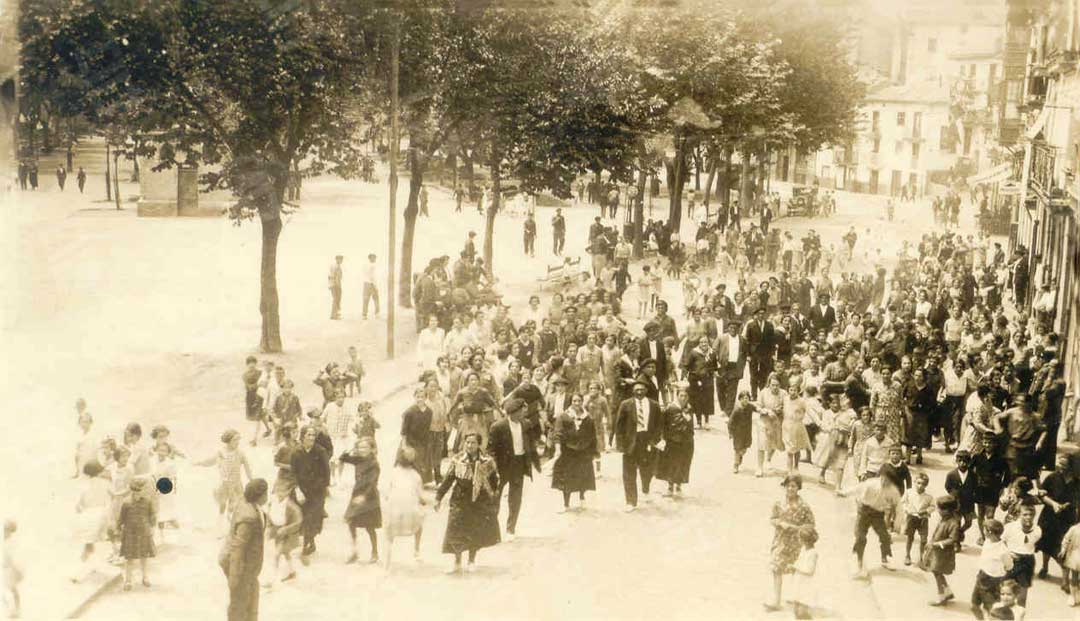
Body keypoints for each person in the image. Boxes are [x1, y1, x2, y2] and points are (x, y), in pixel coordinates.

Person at [434, 433, 500, 574]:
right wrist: (438, 497)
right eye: (468, 442)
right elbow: (448, 480)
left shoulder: (487, 461)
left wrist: (492, 499)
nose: (470, 445)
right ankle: (457, 562)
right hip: (460, 500)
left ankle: (471, 560)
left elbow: (494, 482)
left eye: (473, 443)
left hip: (478, 502)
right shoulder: (457, 459)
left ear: (479, 444)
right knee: (456, 530)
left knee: (474, 531)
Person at [488, 398, 539, 539]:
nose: (524, 412)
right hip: (502, 466)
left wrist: (533, 460)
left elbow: (530, 443)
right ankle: (493, 530)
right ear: (512, 413)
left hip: (519, 463)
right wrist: (494, 468)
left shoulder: (526, 424)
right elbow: (490, 450)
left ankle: (511, 529)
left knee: (515, 498)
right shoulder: (498, 426)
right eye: (521, 410)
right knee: (495, 497)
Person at [765, 474, 816, 611]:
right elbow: (772, 518)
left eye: (793, 486)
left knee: (794, 569)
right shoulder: (778, 503)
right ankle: (776, 599)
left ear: (798, 488)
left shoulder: (804, 506)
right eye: (788, 485)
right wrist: (780, 523)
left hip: (796, 543)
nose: (790, 489)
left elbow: (811, 525)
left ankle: (795, 597)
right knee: (776, 568)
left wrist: (797, 528)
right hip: (780, 540)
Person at [219, 479, 268, 621]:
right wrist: (234, 578)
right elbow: (238, 548)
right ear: (260, 496)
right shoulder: (248, 518)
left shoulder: (246, 504)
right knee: (239, 605)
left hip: (248, 568)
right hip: (240, 567)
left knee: (251, 600)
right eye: (265, 493)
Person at [195, 429, 253, 535]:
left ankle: (232, 528)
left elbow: (247, 467)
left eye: (238, 440)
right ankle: (220, 528)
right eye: (235, 440)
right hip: (224, 484)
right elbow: (211, 461)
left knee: (235, 506)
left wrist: (251, 480)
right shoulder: (221, 452)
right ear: (228, 441)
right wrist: (200, 463)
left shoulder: (240, 453)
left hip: (236, 485)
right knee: (222, 506)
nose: (238, 442)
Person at [615, 380, 661, 512]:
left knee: (647, 468)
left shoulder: (654, 405)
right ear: (633, 391)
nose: (639, 392)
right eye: (637, 389)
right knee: (629, 472)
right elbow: (619, 426)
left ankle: (646, 489)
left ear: (646, 390)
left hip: (647, 440)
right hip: (631, 442)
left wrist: (656, 441)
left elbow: (659, 425)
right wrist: (620, 445)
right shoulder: (625, 404)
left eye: (642, 389)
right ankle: (630, 501)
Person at [382, 447, 428, 568]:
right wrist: (424, 501)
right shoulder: (416, 475)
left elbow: (386, 492)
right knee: (419, 525)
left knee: (389, 534)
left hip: (394, 510)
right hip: (411, 512)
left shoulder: (393, 472)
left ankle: (387, 559)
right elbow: (421, 496)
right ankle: (417, 551)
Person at [848, 473, 900, 578]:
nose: (885, 482)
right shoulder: (871, 483)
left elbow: (898, 506)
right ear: (881, 477)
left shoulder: (893, 490)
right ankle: (858, 563)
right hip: (864, 511)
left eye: (888, 480)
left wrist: (897, 524)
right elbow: (856, 489)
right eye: (883, 479)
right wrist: (844, 493)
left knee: (885, 536)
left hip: (878, 514)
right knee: (860, 537)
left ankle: (885, 559)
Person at [291, 426, 331, 561]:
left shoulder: (320, 452)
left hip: (317, 491)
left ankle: (307, 544)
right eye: (308, 435)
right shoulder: (296, 452)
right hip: (302, 490)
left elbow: (326, 473)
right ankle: (310, 542)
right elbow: (293, 472)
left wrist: (322, 489)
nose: (311, 438)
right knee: (302, 517)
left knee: (312, 517)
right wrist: (297, 489)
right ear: (302, 437)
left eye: (313, 435)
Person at [340, 436, 381, 564]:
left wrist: (363, 497)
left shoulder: (374, 463)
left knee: (370, 527)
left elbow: (372, 483)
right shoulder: (358, 459)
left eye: (365, 447)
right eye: (360, 447)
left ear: (372, 449)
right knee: (351, 523)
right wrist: (352, 448)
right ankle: (354, 551)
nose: (362, 450)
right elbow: (343, 458)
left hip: (369, 497)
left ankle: (375, 552)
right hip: (357, 494)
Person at [551, 400, 598, 512]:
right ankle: (566, 504)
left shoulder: (587, 418)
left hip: (583, 451)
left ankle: (582, 498)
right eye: (574, 401)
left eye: (579, 401)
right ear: (570, 402)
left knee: (583, 475)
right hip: (568, 452)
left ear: (582, 402)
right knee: (567, 478)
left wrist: (593, 451)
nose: (577, 403)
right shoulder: (563, 417)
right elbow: (557, 434)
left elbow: (592, 436)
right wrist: (558, 449)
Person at [657, 387, 695, 497]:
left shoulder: (689, 408)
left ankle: (679, 486)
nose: (683, 398)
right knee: (671, 463)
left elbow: (691, 424)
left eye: (685, 396)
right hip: (673, 441)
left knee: (683, 463)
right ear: (677, 396)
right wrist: (663, 438)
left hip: (686, 441)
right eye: (681, 396)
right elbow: (663, 424)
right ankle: (670, 487)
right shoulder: (670, 408)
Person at [972, 519, 1013, 619]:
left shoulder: (1003, 550)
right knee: (973, 605)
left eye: (984, 529)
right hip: (981, 576)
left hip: (993, 581)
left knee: (991, 609)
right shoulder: (987, 541)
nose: (983, 531)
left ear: (990, 532)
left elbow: (1009, 566)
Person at [263, 480, 301, 587]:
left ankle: (272, 580)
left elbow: (299, 520)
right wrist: (269, 528)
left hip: (288, 534)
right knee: (285, 553)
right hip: (277, 532)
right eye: (277, 491)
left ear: (288, 491)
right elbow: (269, 516)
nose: (279, 493)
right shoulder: (273, 503)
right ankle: (292, 572)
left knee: (276, 555)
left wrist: (286, 529)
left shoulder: (291, 506)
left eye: (282, 491)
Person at [925, 495, 962, 606]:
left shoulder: (953, 523)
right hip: (937, 552)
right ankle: (947, 592)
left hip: (944, 553)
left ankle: (941, 597)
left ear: (948, 510)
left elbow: (953, 539)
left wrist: (936, 544)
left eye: (940, 509)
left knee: (937, 573)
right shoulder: (944, 519)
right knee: (937, 572)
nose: (938, 511)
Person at [1002, 502, 1041, 606]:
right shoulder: (1010, 527)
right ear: (1019, 514)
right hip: (1011, 560)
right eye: (1025, 514)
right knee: (1005, 594)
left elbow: (1032, 545)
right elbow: (1001, 542)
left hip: (1026, 562)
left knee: (1022, 597)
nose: (1028, 517)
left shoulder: (1037, 530)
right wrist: (1008, 553)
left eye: (1031, 514)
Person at [401, 387, 435, 485]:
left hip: (423, 441)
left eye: (422, 397)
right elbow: (404, 430)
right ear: (414, 397)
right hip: (411, 441)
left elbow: (428, 427)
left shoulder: (429, 412)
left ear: (425, 398)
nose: (420, 399)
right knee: (412, 463)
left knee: (423, 462)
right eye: (417, 397)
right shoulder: (409, 412)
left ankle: (421, 483)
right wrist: (404, 445)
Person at [945, 450, 977, 544]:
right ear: (957, 461)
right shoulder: (951, 474)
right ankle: (957, 542)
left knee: (968, 522)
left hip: (968, 503)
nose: (963, 463)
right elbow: (947, 486)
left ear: (969, 462)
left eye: (965, 461)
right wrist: (954, 495)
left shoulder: (973, 475)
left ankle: (960, 532)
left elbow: (975, 486)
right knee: (957, 523)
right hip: (957, 503)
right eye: (960, 461)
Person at [902, 472, 932, 566]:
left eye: (923, 484)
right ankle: (907, 555)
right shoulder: (909, 492)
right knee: (910, 537)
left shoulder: (928, 497)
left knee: (924, 539)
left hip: (923, 519)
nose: (920, 486)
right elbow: (903, 503)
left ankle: (922, 557)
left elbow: (933, 506)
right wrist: (907, 510)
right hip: (911, 518)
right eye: (918, 483)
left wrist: (926, 511)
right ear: (915, 482)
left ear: (926, 485)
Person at [790, 528, 819, 620]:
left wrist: (796, 568)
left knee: (802, 612)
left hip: (805, 585)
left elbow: (810, 570)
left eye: (800, 539)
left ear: (805, 541)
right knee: (795, 609)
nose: (799, 540)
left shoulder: (813, 553)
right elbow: (799, 562)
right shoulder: (803, 550)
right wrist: (793, 566)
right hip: (798, 582)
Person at [729, 391, 756, 474]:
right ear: (740, 399)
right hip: (738, 433)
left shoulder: (750, 407)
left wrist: (762, 410)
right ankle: (736, 465)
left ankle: (740, 456)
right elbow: (731, 422)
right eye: (743, 399)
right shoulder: (737, 410)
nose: (745, 400)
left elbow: (757, 408)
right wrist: (731, 433)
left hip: (747, 432)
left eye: (747, 398)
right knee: (737, 449)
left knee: (744, 448)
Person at [362, 253, 379, 319]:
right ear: (371, 258)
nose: (375, 259)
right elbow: (373, 277)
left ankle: (364, 315)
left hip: (365, 283)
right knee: (376, 299)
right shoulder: (372, 266)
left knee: (366, 299)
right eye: (374, 258)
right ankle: (377, 313)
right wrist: (375, 286)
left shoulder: (365, 265)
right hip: (371, 284)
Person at [328, 255, 344, 320]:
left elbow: (329, 276)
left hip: (333, 284)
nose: (341, 261)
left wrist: (330, 284)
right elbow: (336, 277)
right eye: (340, 259)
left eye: (342, 259)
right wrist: (338, 286)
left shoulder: (334, 266)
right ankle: (334, 315)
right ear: (337, 259)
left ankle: (335, 314)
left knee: (336, 299)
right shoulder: (336, 266)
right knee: (336, 299)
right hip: (335, 285)